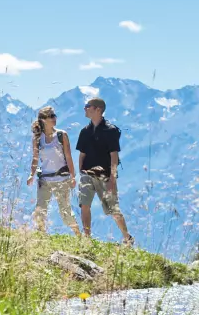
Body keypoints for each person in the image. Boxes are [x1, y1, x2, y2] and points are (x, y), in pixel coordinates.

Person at [76, 97, 134, 246]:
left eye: (88, 106)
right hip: (87, 175)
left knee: (113, 210)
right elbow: (82, 155)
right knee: (84, 205)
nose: (85, 108)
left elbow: (114, 156)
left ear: (98, 109)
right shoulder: (84, 131)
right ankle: (87, 237)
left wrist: (112, 180)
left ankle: (127, 237)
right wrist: (81, 172)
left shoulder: (111, 130)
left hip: (105, 177)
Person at [26, 106, 81, 236]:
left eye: (54, 115)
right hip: (45, 180)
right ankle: (41, 237)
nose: (54, 118)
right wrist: (31, 175)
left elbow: (68, 156)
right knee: (40, 211)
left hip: (62, 179)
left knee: (65, 212)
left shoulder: (62, 135)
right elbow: (35, 159)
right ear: (43, 120)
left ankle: (79, 236)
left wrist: (73, 177)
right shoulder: (38, 139)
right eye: (51, 116)